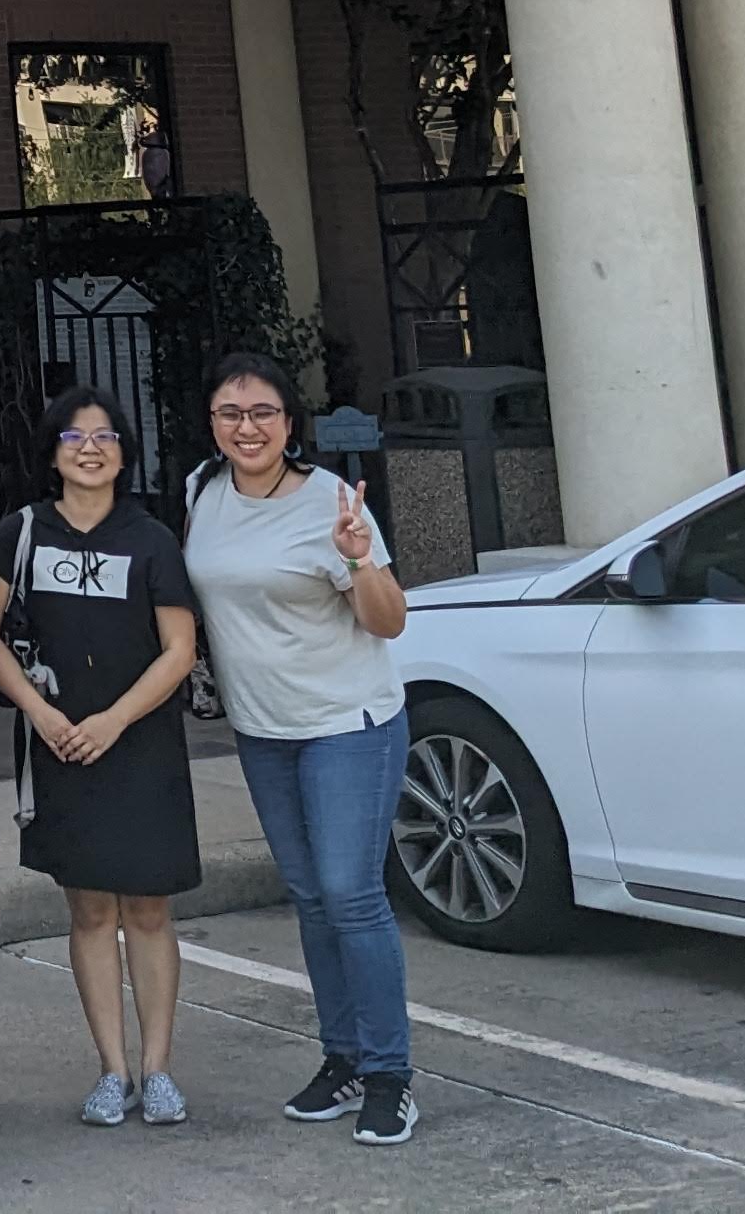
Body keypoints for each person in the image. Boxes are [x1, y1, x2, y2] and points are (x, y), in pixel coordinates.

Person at [182, 351, 416, 1148]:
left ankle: (390, 1075)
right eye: (230, 413)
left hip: (348, 724)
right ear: (212, 424)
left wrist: (356, 555)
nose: (246, 428)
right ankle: (342, 1058)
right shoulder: (201, 492)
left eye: (263, 414)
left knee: (352, 896)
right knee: (312, 898)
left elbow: (388, 622)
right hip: (263, 730)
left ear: (290, 423)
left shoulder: (331, 502)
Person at [0, 384, 201, 1133]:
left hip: (140, 746)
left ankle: (159, 1069)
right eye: (74, 437)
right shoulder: (21, 533)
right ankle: (113, 1069)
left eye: (105, 436)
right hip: (60, 746)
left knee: (149, 907)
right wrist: (42, 715)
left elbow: (179, 650)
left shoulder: (152, 538)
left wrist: (113, 719)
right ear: (52, 453)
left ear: (125, 452)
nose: (91, 448)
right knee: (90, 908)